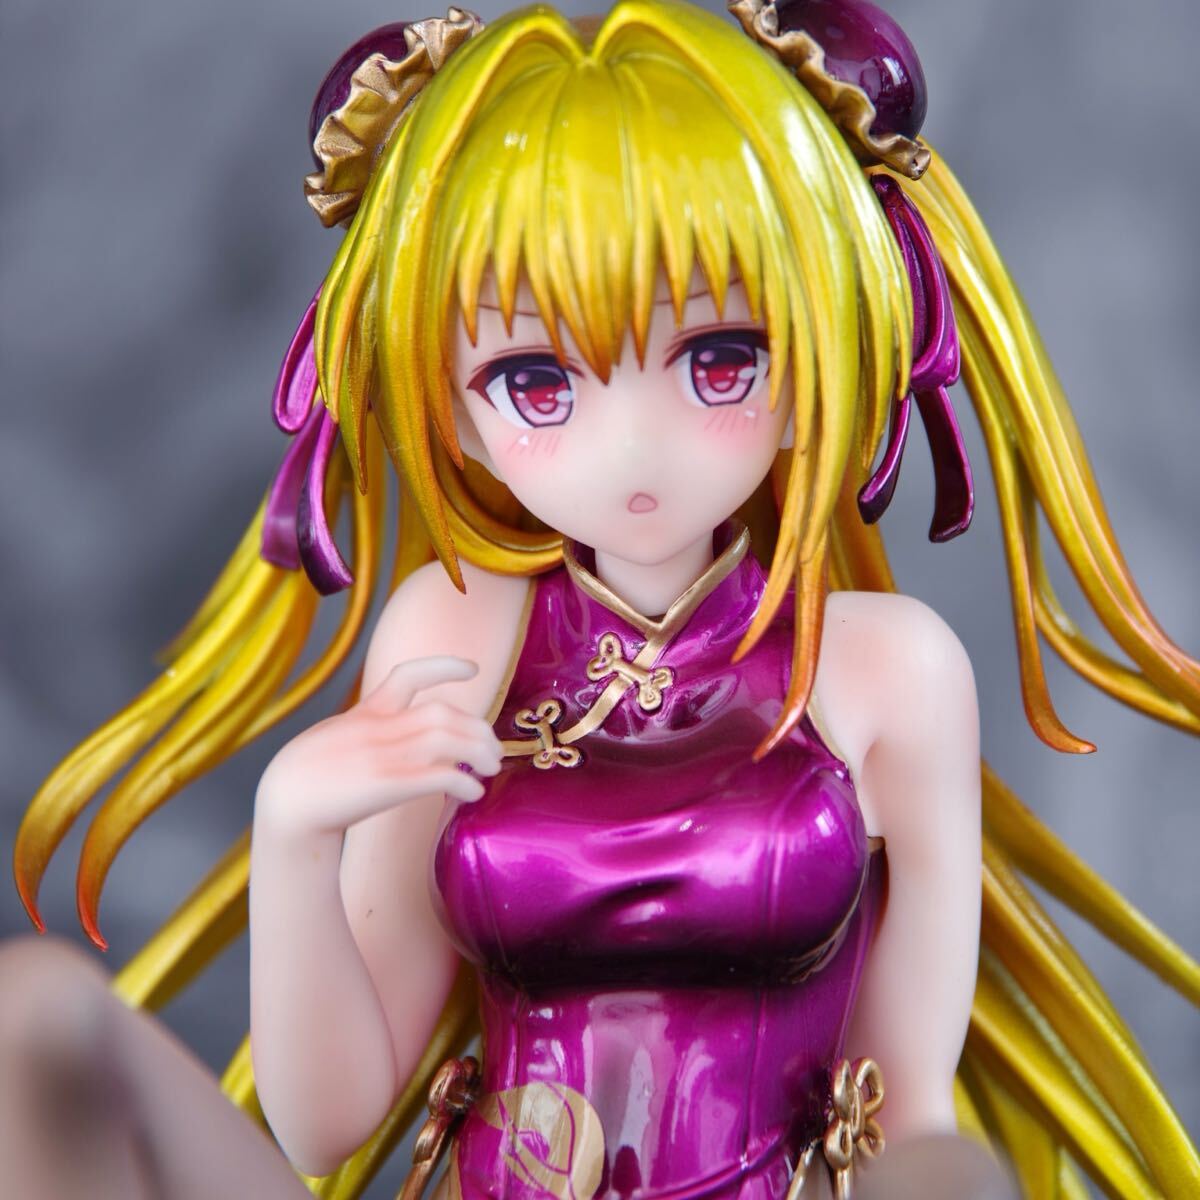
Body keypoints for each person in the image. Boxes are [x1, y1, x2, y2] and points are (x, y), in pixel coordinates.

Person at [4, 2, 1197, 1197]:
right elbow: (326, 1128)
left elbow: (905, 1108)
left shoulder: (884, 670)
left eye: (720, 360)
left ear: (822, 345)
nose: (633, 447)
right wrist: (294, 832)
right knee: (40, 1019)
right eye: (536, 381)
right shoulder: (457, 631)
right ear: (451, 403)